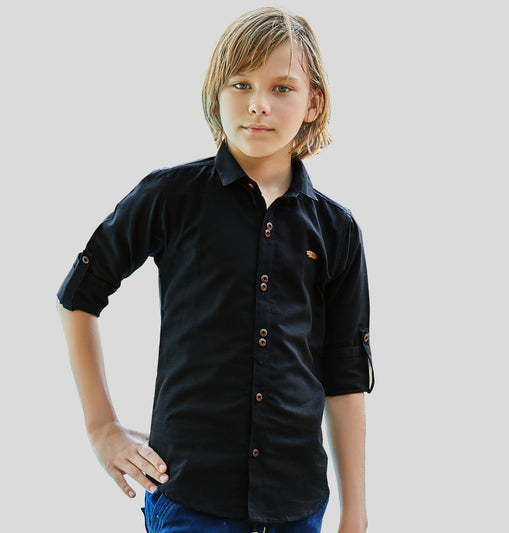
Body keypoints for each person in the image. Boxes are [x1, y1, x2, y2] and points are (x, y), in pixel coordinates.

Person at [57, 6, 374, 533]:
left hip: (298, 505)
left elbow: (344, 376)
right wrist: (102, 428)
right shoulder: (170, 197)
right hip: (189, 499)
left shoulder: (337, 230)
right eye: (241, 84)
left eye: (281, 88)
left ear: (314, 102)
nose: (258, 104)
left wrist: (355, 514)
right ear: (216, 93)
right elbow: (79, 297)